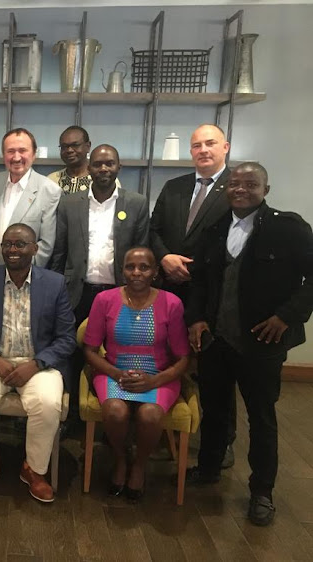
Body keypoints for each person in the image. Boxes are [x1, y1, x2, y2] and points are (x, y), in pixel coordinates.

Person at [185, 163, 313, 526]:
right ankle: (209, 467)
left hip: (262, 341)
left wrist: (287, 316)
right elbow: (200, 283)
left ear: (266, 189)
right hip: (215, 339)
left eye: (250, 184)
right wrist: (195, 319)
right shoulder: (214, 230)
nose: (241, 189)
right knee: (214, 408)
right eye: (235, 184)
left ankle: (261, 492)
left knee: (261, 417)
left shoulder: (287, 228)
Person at [0, 224, 76, 503]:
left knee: (48, 402)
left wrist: (37, 364)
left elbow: (67, 338)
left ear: (35, 249)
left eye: (20, 244)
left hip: (39, 364)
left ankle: (34, 470)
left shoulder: (54, 283)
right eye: (7, 244)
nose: (13, 250)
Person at [149, 123, 236, 468]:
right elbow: (153, 229)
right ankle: (163, 425)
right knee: (168, 357)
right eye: (197, 145)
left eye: (210, 143)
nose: (203, 150)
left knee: (215, 370)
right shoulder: (174, 187)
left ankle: (220, 440)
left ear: (225, 147)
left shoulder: (237, 188)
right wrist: (164, 257)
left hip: (212, 296)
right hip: (168, 290)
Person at [49, 144, 149, 432]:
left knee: (114, 352)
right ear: (89, 168)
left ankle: (111, 415)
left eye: (110, 164)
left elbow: (141, 251)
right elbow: (59, 251)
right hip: (77, 291)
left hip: (118, 293)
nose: (103, 169)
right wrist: (57, 287)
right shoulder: (70, 203)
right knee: (71, 350)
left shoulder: (136, 203)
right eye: (98, 164)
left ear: (119, 167)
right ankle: (71, 416)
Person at [83, 247, 190, 501]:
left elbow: (183, 358)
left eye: (144, 267)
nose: (136, 272)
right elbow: (89, 351)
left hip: (158, 375)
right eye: (130, 267)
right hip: (112, 372)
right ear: (122, 271)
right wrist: (117, 374)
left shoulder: (172, 303)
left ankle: (140, 465)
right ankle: (121, 459)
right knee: (114, 411)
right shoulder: (105, 300)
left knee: (150, 414)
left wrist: (154, 380)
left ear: (155, 272)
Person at [0, 128, 60, 269]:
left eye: (23, 150)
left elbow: (46, 245)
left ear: (34, 154)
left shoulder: (49, 190)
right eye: (10, 151)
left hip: (25, 277)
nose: (16, 157)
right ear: (3, 154)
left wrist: (20, 272)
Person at [47, 125, 121, 195]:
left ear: (88, 146)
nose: (69, 150)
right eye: (64, 146)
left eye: (75, 145)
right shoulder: (51, 180)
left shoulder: (106, 179)